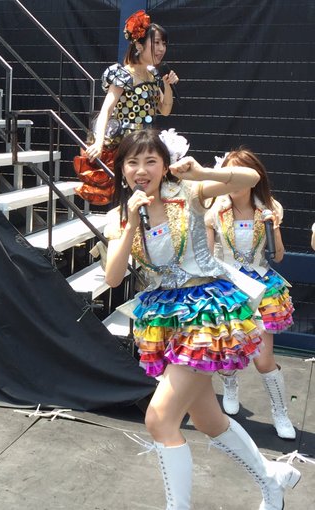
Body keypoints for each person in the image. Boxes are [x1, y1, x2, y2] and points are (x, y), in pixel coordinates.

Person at [103, 130, 300, 509]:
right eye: (132, 162)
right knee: (209, 420)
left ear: (164, 166)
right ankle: (272, 478)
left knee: (159, 420)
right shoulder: (120, 217)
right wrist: (130, 224)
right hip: (166, 319)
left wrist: (201, 173)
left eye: (150, 161)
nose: (141, 170)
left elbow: (250, 178)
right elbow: (113, 278)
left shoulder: (188, 192)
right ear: (122, 168)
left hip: (206, 314)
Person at [205, 148, 296, 440]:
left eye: (239, 176)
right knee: (228, 353)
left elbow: (278, 255)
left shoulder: (270, 208)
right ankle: (230, 385)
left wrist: (274, 227)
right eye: (228, 176)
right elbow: (208, 258)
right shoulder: (214, 210)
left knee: (263, 359)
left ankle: (280, 412)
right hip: (227, 286)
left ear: (253, 178)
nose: (233, 183)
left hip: (261, 285)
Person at [83, 10, 178, 165]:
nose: (161, 49)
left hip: (147, 143)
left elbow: (165, 110)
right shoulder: (123, 75)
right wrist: (99, 142)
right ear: (139, 46)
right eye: (156, 43)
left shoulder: (153, 75)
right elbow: (106, 110)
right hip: (126, 145)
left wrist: (167, 85)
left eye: (164, 44)